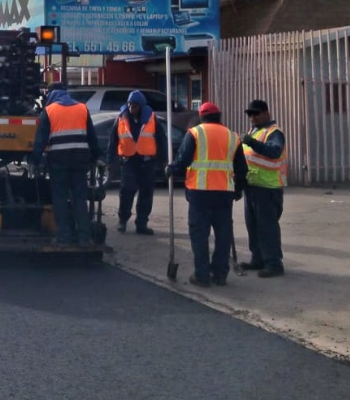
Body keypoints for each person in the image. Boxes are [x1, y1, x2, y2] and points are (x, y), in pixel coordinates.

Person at [167, 102, 248, 287]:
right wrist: (238, 189)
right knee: (223, 234)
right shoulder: (232, 136)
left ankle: (202, 275)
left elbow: (182, 161)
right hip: (224, 193)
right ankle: (220, 274)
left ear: (201, 116)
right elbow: (242, 169)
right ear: (219, 116)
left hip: (200, 193)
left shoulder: (195, 133)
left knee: (199, 235)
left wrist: (171, 169)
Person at [32, 82, 102, 246]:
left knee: (61, 199)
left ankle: (64, 238)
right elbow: (92, 136)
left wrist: (35, 160)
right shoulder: (82, 108)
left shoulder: (49, 111)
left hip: (58, 160)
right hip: (80, 160)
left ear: (51, 94)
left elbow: (40, 140)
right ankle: (84, 238)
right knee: (79, 198)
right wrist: (97, 156)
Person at [240, 99, 288, 278]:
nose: (252, 117)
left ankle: (274, 263)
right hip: (253, 185)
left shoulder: (274, 132)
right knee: (253, 225)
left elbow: (274, 152)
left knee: (267, 227)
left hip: (268, 187)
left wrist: (251, 142)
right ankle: (258, 258)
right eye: (250, 114)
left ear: (266, 112)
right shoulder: (255, 131)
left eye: (256, 113)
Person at [115, 90, 168, 235]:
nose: (132, 108)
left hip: (146, 161)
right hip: (128, 161)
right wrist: (110, 161)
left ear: (142, 106)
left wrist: (164, 160)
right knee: (127, 190)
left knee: (146, 193)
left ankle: (142, 224)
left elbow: (161, 140)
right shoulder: (121, 118)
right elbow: (114, 140)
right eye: (130, 105)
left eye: (135, 106)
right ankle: (123, 220)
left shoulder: (152, 119)